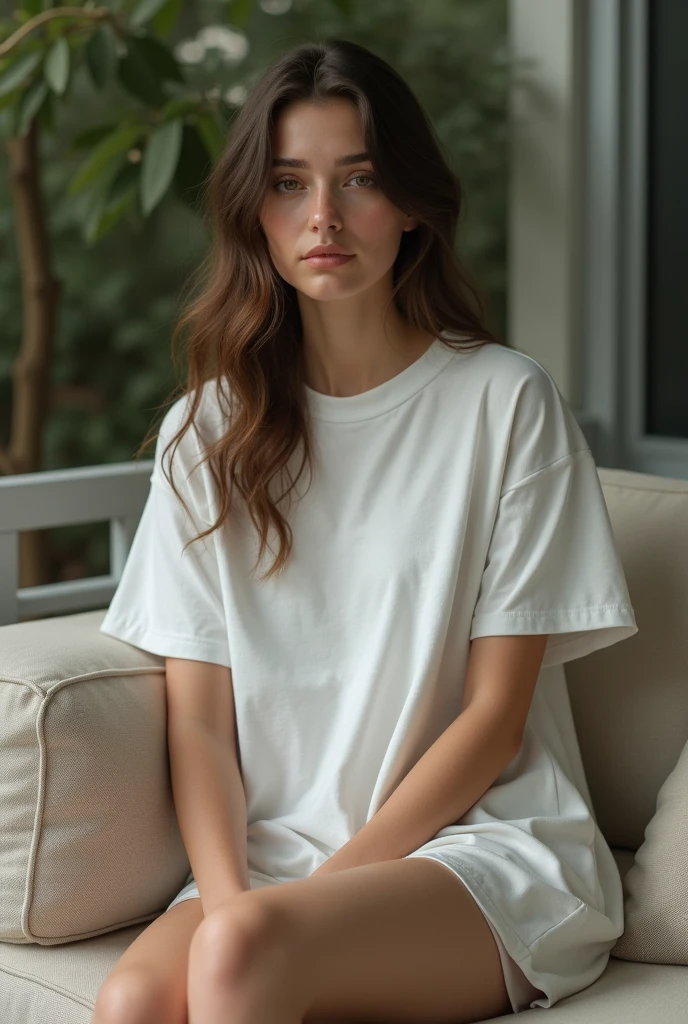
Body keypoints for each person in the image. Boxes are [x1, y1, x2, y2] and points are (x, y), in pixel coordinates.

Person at [94, 37, 638, 1024]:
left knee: (247, 955)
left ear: (412, 203)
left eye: (359, 180)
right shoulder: (202, 433)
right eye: (290, 184)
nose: (324, 218)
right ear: (252, 211)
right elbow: (200, 726)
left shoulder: (504, 403)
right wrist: (228, 904)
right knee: (132, 1001)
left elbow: (494, 720)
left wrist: (302, 901)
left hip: (479, 846)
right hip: (274, 858)